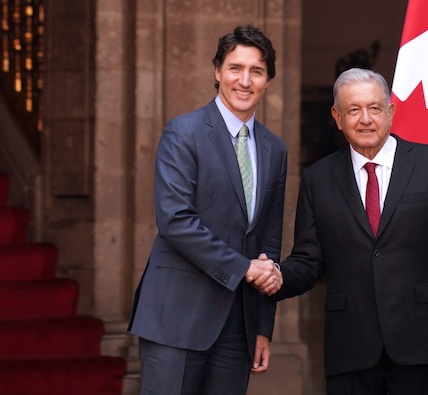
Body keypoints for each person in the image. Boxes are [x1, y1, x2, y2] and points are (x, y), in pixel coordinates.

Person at [274, 68, 428, 394]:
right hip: (350, 348)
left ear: (390, 112)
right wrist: (274, 277)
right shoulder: (318, 179)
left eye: (374, 108)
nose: (365, 119)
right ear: (337, 117)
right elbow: (309, 260)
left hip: (421, 343)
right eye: (354, 110)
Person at [128, 25, 287, 395]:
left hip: (237, 327)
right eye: (235, 68)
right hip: (176, 319)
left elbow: (269, 240)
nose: (244, 81)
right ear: (217, 71)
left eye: (257, 71)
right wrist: (244, 267)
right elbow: (176, 221)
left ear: (268, 81)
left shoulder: (274, 149)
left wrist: (263, 325)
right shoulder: (183, 133)